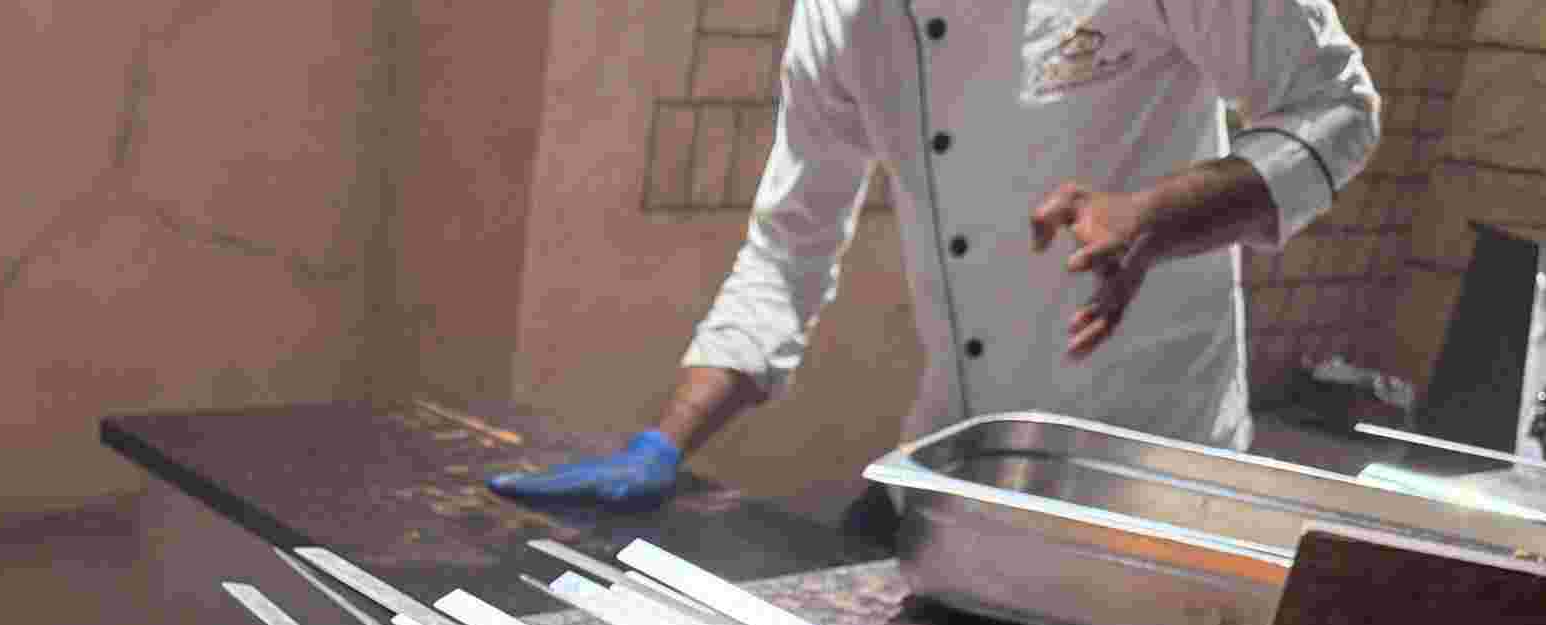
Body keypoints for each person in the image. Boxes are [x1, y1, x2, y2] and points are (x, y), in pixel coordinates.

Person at [491, 0, 1379, 511]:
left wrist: (1159, 214)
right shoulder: (840, 16)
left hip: (1144, 470)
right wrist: (665, 444)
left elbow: (1337, 108)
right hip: (951, 457)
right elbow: (790, 244)